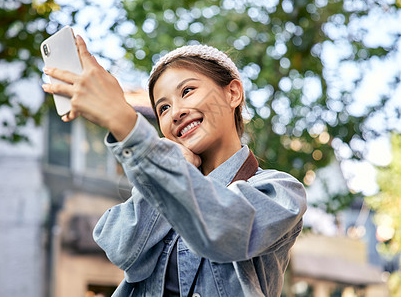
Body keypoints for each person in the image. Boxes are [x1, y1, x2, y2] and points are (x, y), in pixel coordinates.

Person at [42, 35, 307, 297]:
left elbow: (225, 231)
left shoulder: (280, 191)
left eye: (187, 91)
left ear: (233, 93)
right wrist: (174, 163)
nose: (176, 112)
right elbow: (120, 247)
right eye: (164, 108)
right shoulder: (163, 179)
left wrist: (125, 123)